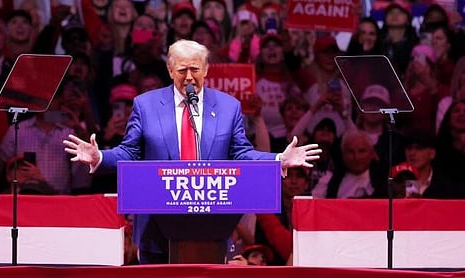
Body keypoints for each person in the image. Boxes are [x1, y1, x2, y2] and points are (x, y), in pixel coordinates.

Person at [64, 39, 321, 264]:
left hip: (210, 226)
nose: (189, 77)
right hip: (156, 226)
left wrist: (278, 159)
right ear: (169, 69)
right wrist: (101, 157)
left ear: (206, 69)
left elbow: (241, 153)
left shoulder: (228, 107)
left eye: (195, 69)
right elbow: (130, 152)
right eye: (182, 70)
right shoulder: (146, 105)